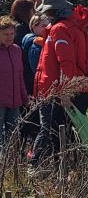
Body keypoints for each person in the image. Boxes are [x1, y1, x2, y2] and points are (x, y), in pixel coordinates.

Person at [30, 0, 88, 170]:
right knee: (67, 131)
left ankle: (57, 171)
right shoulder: (76, 27)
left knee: (56, 131)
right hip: (77, 87)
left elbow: (65, 63)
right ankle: (68, 170)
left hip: (60, 90)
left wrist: (64, 92)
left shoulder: (60, 29)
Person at [20, 15, 49, 145]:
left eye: (48, 25)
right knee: (35, 122)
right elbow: (37, 70)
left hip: (30, 86)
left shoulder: (36, 41)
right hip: (34, 87)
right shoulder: (35, 45)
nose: (47, 28)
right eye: (43, 25)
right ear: (34, 26)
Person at [0, 16, 28, 151]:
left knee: (12, 137)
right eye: (5, 34)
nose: (9, 37)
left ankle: (11, 167)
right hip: (0, 102)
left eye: (12, 34)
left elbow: (19, 76)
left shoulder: (17, 50)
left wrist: (24, 97)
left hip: (15, 102)